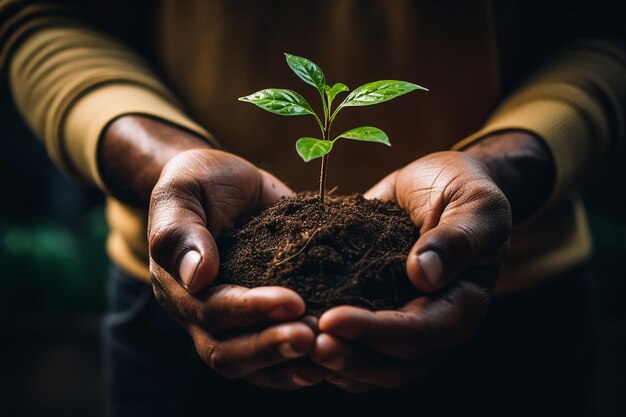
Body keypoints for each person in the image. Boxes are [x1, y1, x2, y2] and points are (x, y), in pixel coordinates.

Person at [1, 0, 624, 415]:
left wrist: (506, 170)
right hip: (184, 307)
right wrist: (163, 162)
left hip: (509, 311)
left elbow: (602, 31)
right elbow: (44, 15)